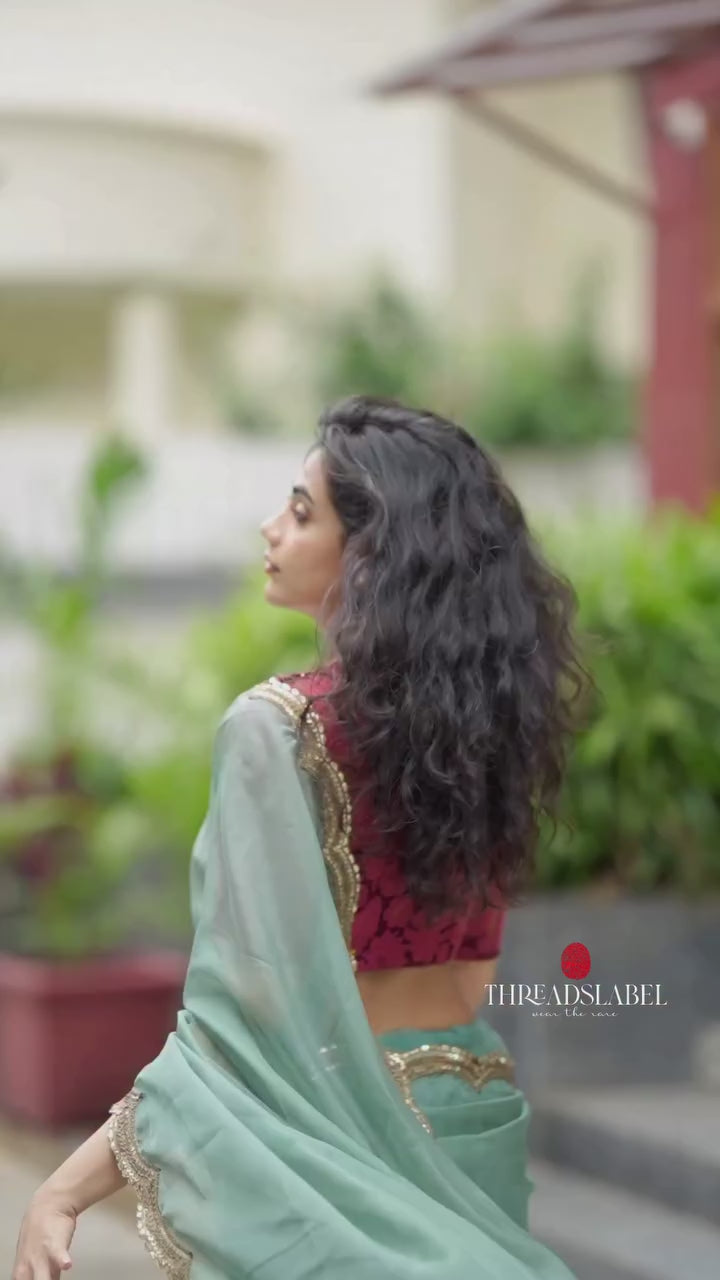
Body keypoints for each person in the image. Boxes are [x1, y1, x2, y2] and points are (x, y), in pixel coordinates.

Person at [12, 396, 586, 1280]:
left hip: (335, 1144)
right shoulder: (488, 733)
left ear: (374, 552)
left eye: (302, 511)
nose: (270, 527)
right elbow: (474, 977)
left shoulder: (278, 729)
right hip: (472, 1111)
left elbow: (237, 1029)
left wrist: (62, 1189)